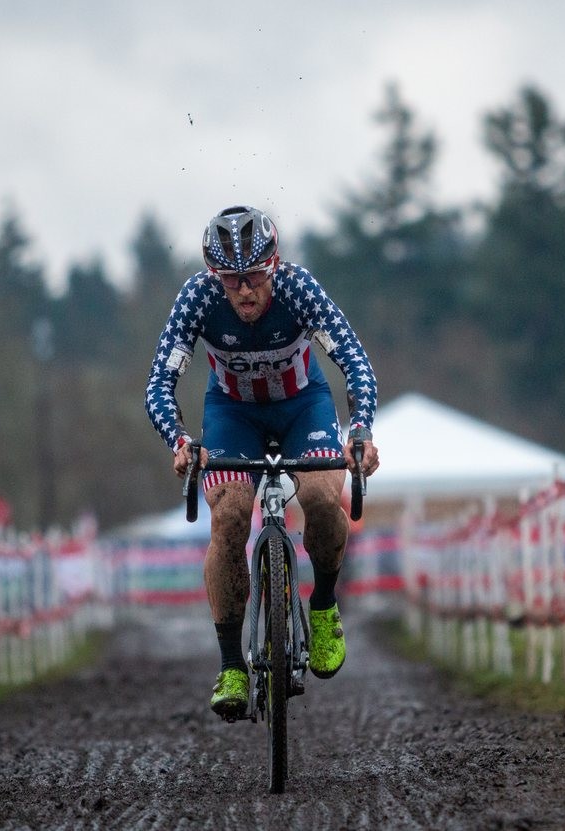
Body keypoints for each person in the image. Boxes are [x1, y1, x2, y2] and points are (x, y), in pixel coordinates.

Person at [145, 205, 380, 719]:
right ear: (215, 278)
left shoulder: (299, 289)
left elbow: (353, 360)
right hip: (232, 413)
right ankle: (231, 663)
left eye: (254, 277)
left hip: (303, 404)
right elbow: (159, 383)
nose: (244, 291)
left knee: (321, 497)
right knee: (228, 517)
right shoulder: (198, 299)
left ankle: (322, 605)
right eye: (231, 280)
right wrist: (181, 440)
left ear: (274, 264)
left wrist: (360, 426)